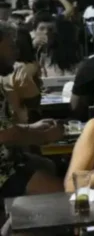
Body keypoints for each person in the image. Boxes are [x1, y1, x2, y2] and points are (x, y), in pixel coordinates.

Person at [0, 23, 64, 198]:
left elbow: (5, 128)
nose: (16, 52)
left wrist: (32, 127)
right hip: (3, 171)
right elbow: (4, 135)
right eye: (11, 46)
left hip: (10, 161)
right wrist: (44, 137)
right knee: (61, 196)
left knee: (47, 165)